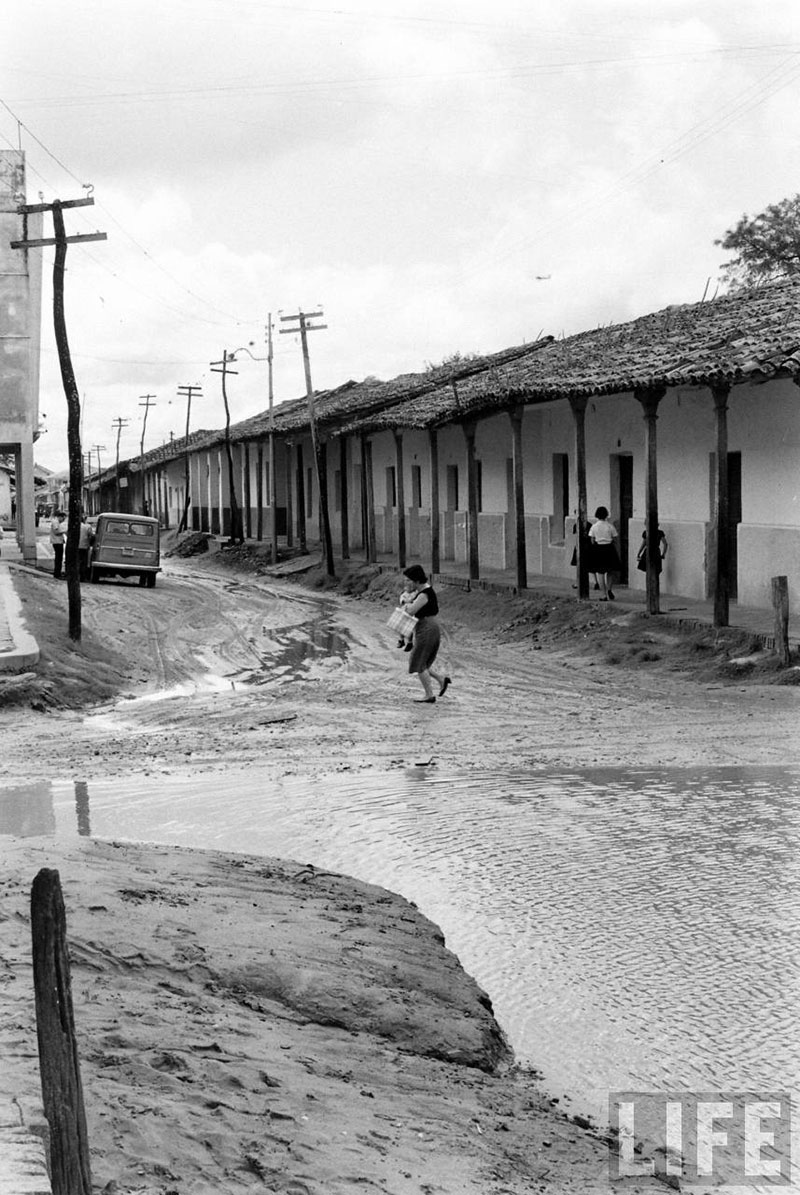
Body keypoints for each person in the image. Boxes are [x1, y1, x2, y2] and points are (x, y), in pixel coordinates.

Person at [401, 564, 451, 704]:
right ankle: (441, 679)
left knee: (418, 662)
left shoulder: (423, 594)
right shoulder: (424, 591)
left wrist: (406, 604)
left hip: (427, 628)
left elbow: (410, 611)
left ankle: (429, 695)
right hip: (429, 627)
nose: (406, 583)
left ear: (416, 580)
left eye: (408, 580)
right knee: (421, 661)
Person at [588, 506, 620, 601]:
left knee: (600, 573)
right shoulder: (610, 526)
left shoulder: (594, 526)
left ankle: (603, 594)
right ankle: (609, 589)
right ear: (606, 515)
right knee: (610, 571)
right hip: (609, 548)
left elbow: (592, 540)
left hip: (599, 549)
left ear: (597, 515)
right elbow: (615, 538)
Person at [570, 517, 600, 590]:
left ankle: (578, 583)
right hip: (589, 547)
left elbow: (576, 537)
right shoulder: (590, 525)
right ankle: (596, 582)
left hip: (581, 546)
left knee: (579, 566)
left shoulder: (577, 525)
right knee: (591, 567)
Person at [396, 576, 416, 652]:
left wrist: (408, 600)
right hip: (404, 610)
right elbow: (402, 600)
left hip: (411, 611)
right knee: (401, 626)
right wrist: (405, 601)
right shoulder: (404, 593)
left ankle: (410, 643)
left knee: (409, 628)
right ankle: (401, 640)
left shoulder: (415, 593)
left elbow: (413, 600)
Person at [49, 511, 67, 579]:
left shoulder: (57, 522)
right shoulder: (55, 522)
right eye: (63, 518)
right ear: (60, 517)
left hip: (59, 541)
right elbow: (56, 532)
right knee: (58, 558)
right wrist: (64, 531)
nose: (63, 520)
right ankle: (57, 573)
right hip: (57, 542)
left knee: (59, 558)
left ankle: (58, 572)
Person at [78, 514, 94, 582]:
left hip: (76, 546)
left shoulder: (75, 526)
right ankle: (82, 577)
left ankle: (76, 575)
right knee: (84, 562)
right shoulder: (87, 527)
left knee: (77, 561)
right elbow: (91, 535)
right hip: (84, 546)